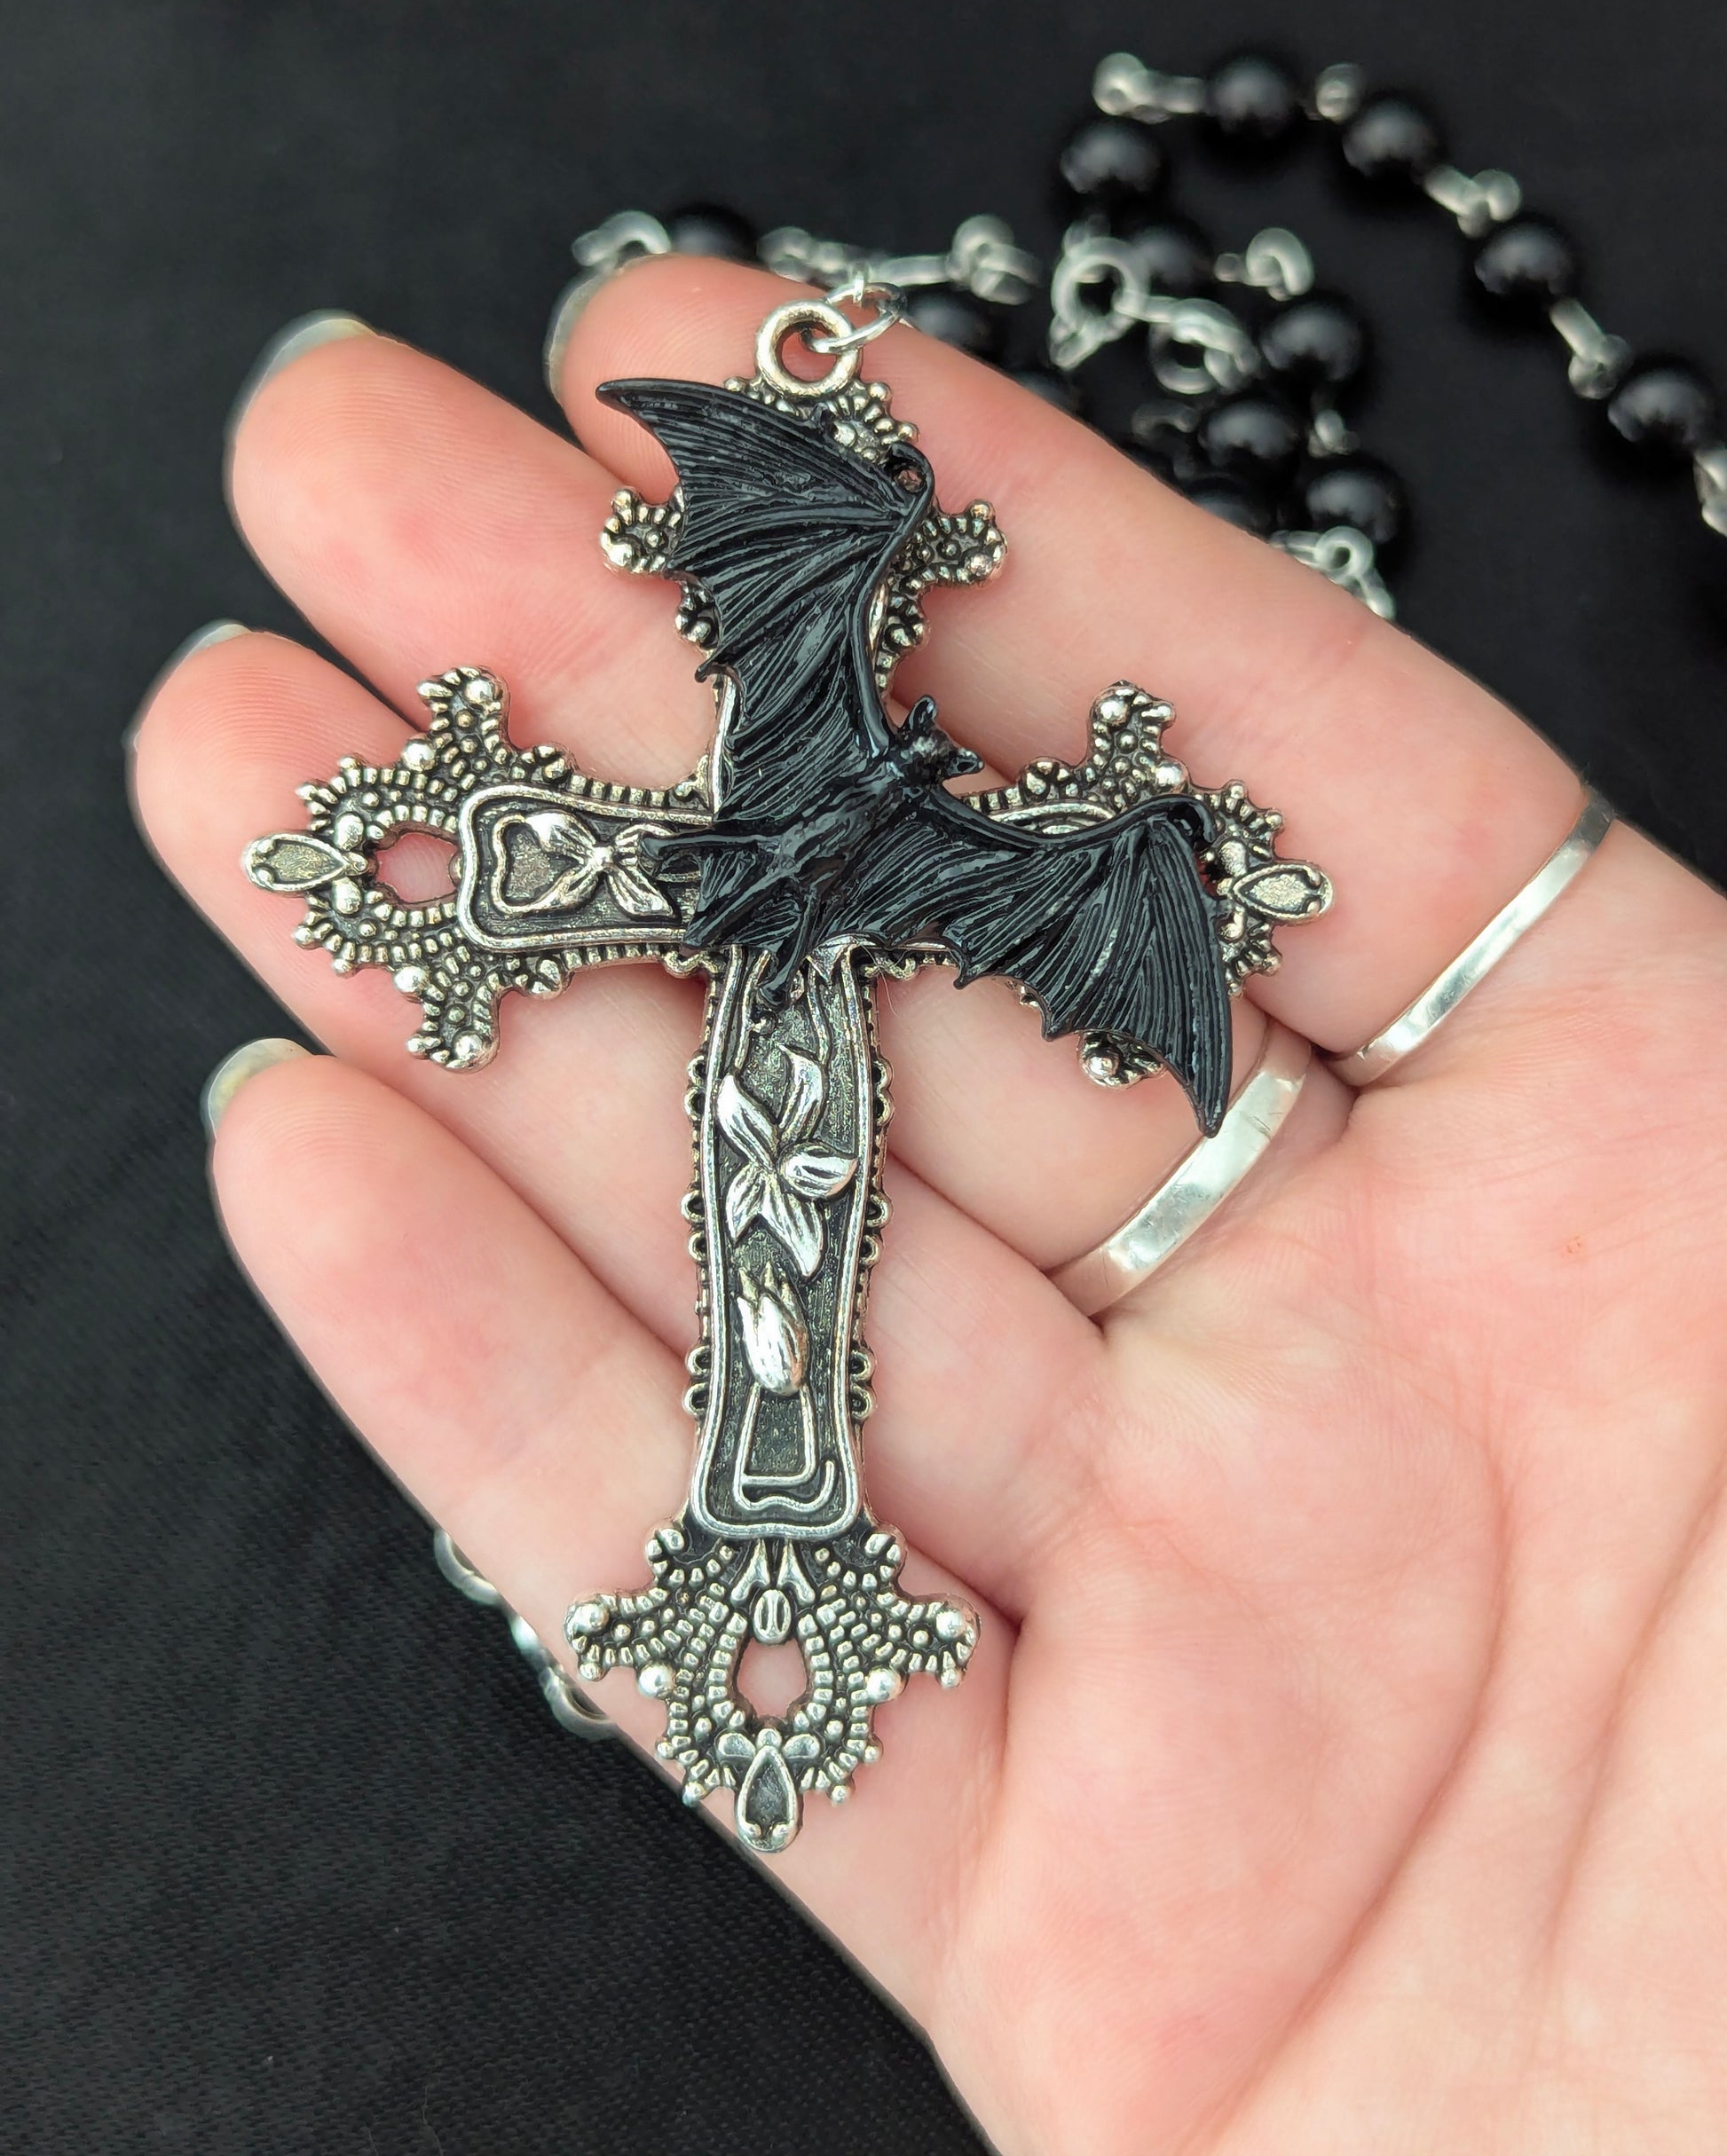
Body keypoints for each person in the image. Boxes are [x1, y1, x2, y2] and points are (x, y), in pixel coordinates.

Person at [130, 255, 1727, 2155]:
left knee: (788, 1191)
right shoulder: (829, 763)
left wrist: (1139, 859)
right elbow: (477, 856)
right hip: (764, 1039)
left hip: (802, 1065)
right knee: (765, 1185)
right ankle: (771, 1508)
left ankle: (771, 1508)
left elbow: (1129, 872)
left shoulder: (935, 826)